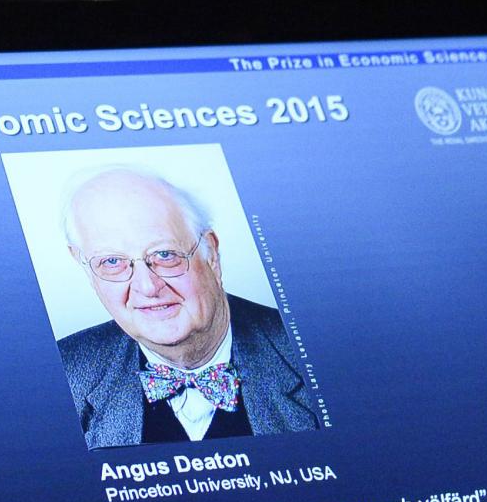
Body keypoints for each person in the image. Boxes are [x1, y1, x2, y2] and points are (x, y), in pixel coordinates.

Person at [55, 167, 318, 448]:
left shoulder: (309, 353)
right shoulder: (65, 373)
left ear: (211, 254)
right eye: (111, 262)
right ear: (86, 270)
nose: (147, 287)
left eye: (165, 255)